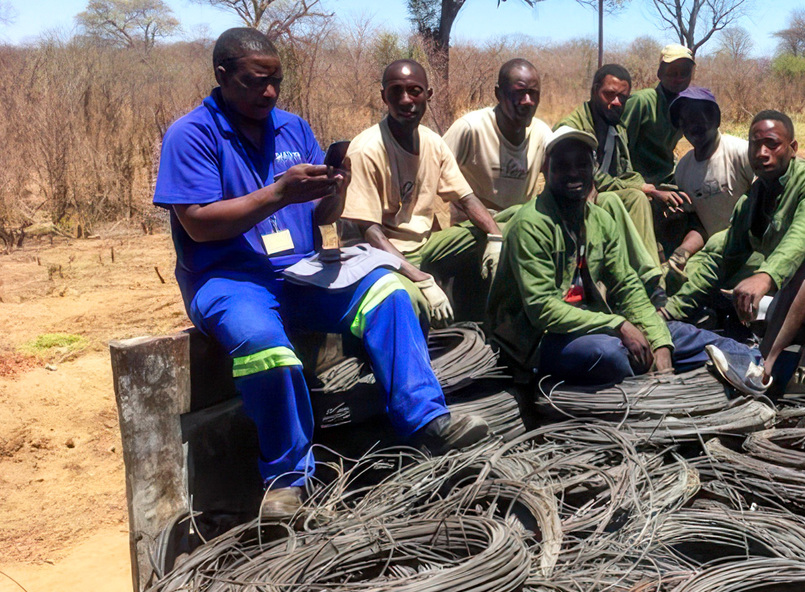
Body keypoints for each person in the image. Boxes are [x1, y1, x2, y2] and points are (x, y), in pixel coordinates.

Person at [154, 29, 487, 519]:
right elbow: (198, 225)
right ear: (222, 77)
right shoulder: (192, 134)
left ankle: (424, 418)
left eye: (277, 82)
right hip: (229, 279)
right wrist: (278, 194)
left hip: (300, 272)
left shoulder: (292, 128)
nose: (268, 93)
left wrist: (335, 189)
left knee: (387, 291)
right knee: (264, 347)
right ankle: (287, 479)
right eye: (255, 82)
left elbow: (324, 216)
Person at [486, 126, 757, 386]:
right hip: (540, 339)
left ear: (593, 169)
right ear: (546, 168)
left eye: (582, 164)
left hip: (597, 324)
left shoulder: (600, 220)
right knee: (611, 354)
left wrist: (660, 342)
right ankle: (653, 387)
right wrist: (619, 325)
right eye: (563, 165)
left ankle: (761, 366)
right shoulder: (531, 225)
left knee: (688, 338)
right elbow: (542, 310)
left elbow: (627, 286)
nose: (574, 173)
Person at [662, 110, 805, 396]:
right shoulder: (753, 199)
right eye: (755, 145)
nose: (762, 153)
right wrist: (671, 310)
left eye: (772, 144)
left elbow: (803, 235)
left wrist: (765, 276)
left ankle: (763, 366)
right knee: (730, 297)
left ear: (793, 148)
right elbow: (721, 255)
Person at [340, 60, 504, 322]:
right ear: (384, 97)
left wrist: (495, 237)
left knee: (512, 221)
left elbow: (466, 198)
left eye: (414, 90)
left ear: (428, 95)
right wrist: (422, 279)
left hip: (425, 244)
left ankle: (494, 325)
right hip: (379, 255)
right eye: (396, 91)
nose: (406, 100)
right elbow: (370, 232)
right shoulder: (366, 150)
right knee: (411, 299)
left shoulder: (432, 142)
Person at [555, 65, 685, 285]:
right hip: (574, 200)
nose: (615, 102)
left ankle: (654, 272)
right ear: (594, 91)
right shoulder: (572, 129)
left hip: (602, 195)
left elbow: (625, 171)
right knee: (625, 198)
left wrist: (651, 189)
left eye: (622, 98)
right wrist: (641, 188)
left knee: (645, 198)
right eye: (609, 94)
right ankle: (648, 277)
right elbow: (586, 177)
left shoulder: (615, 127)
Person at [443, 58, 551, 219]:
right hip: (473, 229)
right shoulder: (471, 128)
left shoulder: (541, 134)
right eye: (519, 93)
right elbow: (431, 172)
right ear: (498, 94)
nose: (528, 101)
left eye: (533, 93)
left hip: (519, 226)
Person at [665, 86, 753, 275]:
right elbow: (699, 226)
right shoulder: (682, 169)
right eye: (685, 121)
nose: (692, 126)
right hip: (715, 257)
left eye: (698, 117)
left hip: (753, 252)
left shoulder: (742, 153)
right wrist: (683, 252)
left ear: (716, 118)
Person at [623, 43, 694, 187]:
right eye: (673, 72)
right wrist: (636, 185)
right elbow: (619, 147)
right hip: (641, 182)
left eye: (685, 72)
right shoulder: (642, 102)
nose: (679, 78)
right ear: (660, 73)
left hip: (669, 178)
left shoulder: (687, 107)